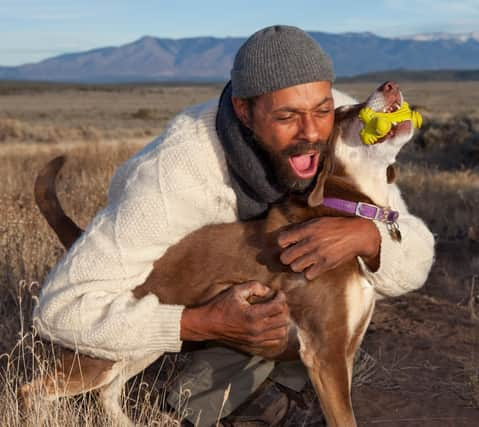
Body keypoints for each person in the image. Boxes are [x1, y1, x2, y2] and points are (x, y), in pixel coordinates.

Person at [33, 26, 434, 426]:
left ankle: (277, 380)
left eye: (322, 110)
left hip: (252, 280)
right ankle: (200, 392)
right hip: (177, 280)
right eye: (287, 116)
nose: (311, 132)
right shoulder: (173, 175)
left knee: (334, 300)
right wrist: (198, 323)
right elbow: (58, 313)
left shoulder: (339, 123)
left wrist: (370, 236)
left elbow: (414, 258)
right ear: (245, 111)